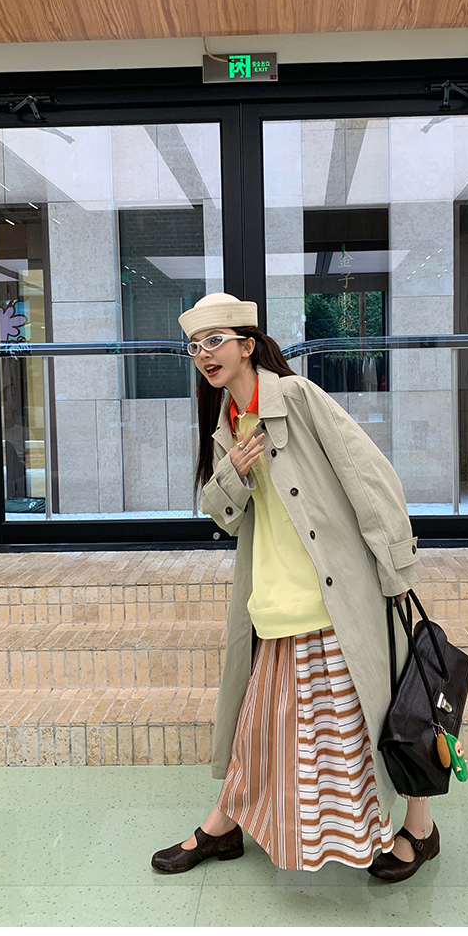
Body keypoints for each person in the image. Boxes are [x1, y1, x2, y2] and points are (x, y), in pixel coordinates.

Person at [151, 293, 438, 882]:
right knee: (262, 730)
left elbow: (368, 474)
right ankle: (225, 823)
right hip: (274, 601)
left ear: (247, 345)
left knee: (377, 717)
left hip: (334, 596)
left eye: (215, 341)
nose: (204, 355)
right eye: (195, 346)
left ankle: (418, 827)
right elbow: (220, 513)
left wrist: (395, 565)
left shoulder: (297, 398)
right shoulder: (226, 427)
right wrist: (235, 471)